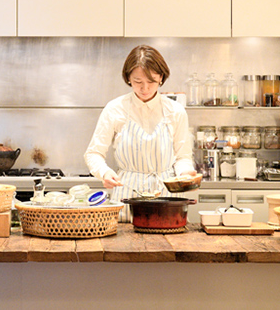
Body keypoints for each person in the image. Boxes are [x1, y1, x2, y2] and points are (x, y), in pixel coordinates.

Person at [84, 45, 196, 222]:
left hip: (167, 199)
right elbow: (93, 153)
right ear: (128, 78)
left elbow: (183, 157)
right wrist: (104, 172)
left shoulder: (175, 111)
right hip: (127, 197)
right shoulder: (115, 109)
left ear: (161, 77)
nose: (145, 88)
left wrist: (185, 174)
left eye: (151, 81)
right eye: (138, 82)